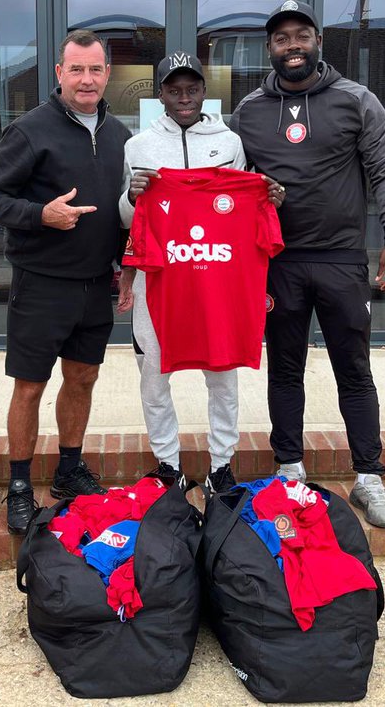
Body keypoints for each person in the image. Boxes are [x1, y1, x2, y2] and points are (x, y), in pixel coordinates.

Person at [230, 0, 385, 528]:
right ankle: (289, 471)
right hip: (279, 264)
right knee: (285, 370)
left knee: (353, 369)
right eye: (282, 39)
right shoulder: (248, 112)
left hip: (341, 260)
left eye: (301, 35)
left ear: (317, 41)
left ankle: (369, 477)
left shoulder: (356, 100)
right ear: (270, 48)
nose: (292, 46)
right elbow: (231, 184)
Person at [0, 29, 131, 534]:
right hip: (41, 283)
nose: (87, 79)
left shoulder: (121, 135)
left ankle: (68, 468)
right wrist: (42, 214)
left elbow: (130, 210)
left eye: (96, 69)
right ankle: (19, 485)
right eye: (76, 69)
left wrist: (127, 262)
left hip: (95, 285)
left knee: (82, 378)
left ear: (108, 74)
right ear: (59, 73)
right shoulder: (29, 130)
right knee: (31, 385)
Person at [117, 52, 284, 496]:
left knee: (223, 376)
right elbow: (124, 216)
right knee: (153, 375)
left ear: (204, 92)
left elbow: (243, 203)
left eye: (192, 89)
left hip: (216, 280)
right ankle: (167, 464)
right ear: (161, 95)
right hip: (161, 280)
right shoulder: (138, 146)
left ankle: (222, 464)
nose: (184, 97)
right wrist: (134, 196)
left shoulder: (229, 141)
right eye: (174, 90)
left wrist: (267, 198)